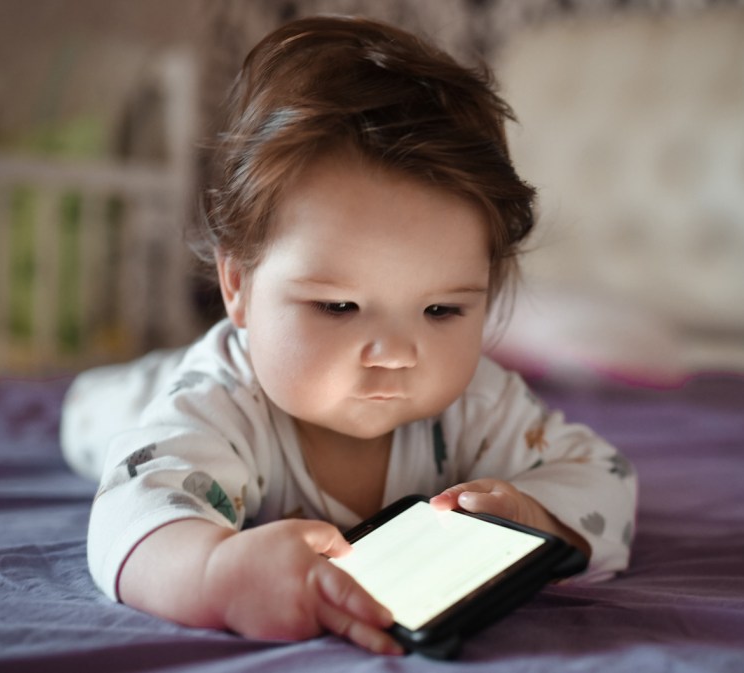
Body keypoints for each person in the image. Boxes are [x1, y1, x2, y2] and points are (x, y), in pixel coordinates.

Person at [60, 15, 637, 656]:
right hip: (148, 396)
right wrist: (215, 572)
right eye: (338, 306)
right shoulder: (220, 402)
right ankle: (104, 390)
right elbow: (136, 509)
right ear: (238, 286)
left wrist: (537, 515)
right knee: (124, 418)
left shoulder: (481, 403)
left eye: (441, 310)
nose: (395, 354)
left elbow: (603, 476)